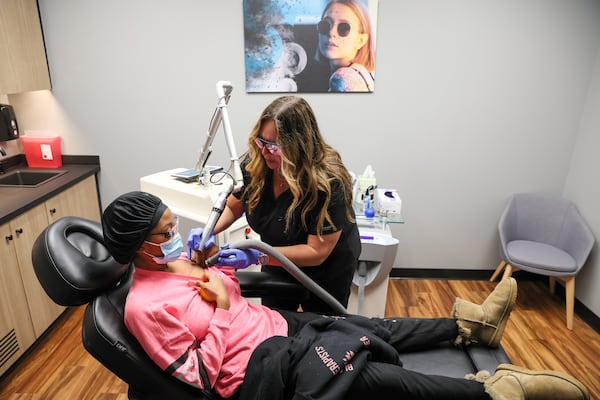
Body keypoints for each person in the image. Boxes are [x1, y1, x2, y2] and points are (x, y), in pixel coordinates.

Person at [101, 190, 590, 400]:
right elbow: (201, 378)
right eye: (167, 231)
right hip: (259, 369)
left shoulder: (176, 263)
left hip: (273, 328)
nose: (176, 235)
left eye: (173, 226)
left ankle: (468, 326)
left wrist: (219, 267)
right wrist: (226, 310)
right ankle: (495, 392)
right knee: (369, 378)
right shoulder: (145, 308)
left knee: (371, 326)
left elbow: (220, 290)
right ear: (140, 247)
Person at [191, 95, 361, 314]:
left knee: (321, 330)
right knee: (276, 321)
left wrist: (257, 254)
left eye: (273, 146)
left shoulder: (328, 182)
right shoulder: (255, 165)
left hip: (326, 269)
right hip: (276, 259)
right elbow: (235, 205)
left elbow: (316, 251)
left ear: (299, 146)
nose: (264, 151)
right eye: (261, 141)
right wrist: (209, 230)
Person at [315, 0, 376, 92]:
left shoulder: (343, 79)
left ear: (361, 40)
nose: (331, 33)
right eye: (325, 25)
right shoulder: (361, 74)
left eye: (344, 28)